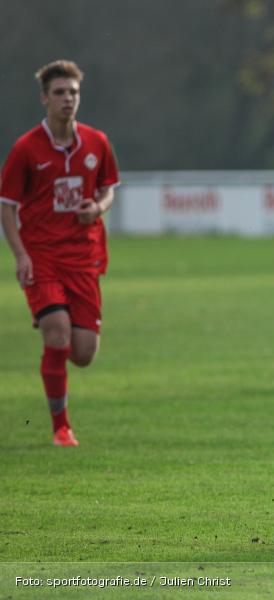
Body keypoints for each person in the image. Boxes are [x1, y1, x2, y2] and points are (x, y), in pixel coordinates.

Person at [0, 60, 120, 446]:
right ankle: (61, 428)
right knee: (57, 335)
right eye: (60, 92)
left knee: (82, 353)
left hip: (84, 258)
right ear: (44, 98)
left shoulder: (96, 142)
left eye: (73, 92)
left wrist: (97, 209)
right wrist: (21, 256)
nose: (68, 99)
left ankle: (59, 338)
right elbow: (6, 206)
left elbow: (108, 188)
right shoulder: (26, 148)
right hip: (43, 257)